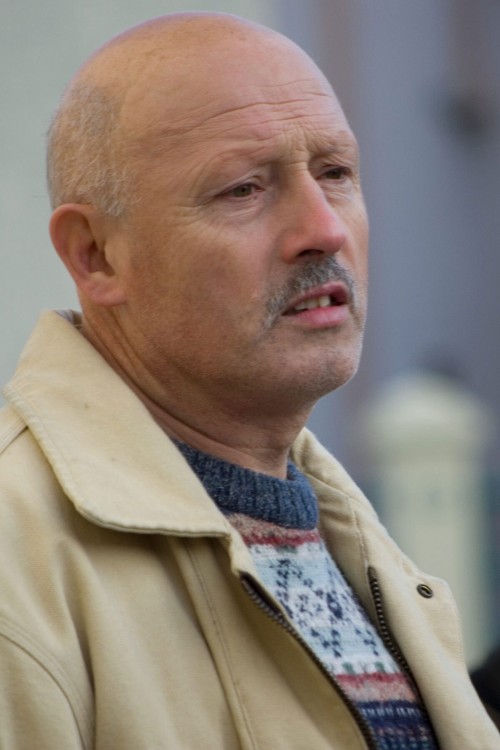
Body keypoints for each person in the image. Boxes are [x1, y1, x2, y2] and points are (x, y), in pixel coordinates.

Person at [0, 11, 497, 750]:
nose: (324, 229)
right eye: (243, 189)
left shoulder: (339, 530)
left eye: (335, 172)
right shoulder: (19, 569)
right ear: (95, 254)